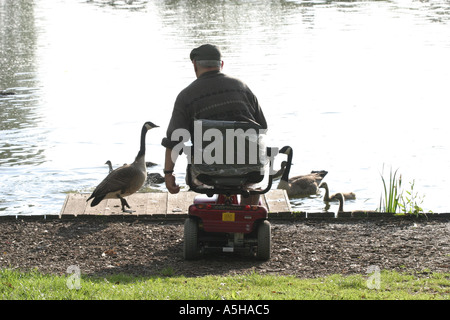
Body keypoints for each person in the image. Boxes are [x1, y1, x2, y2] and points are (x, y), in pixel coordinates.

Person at [161, 44, 267, 204]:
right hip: (250, 171)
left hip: (207, 173)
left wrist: (168, 173)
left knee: (207, 162)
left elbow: (175, 140)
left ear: (195, 65)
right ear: (221, 64)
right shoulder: (243, 88)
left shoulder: (186, 96)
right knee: (252, 167)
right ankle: (249, 215)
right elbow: (262, 127)